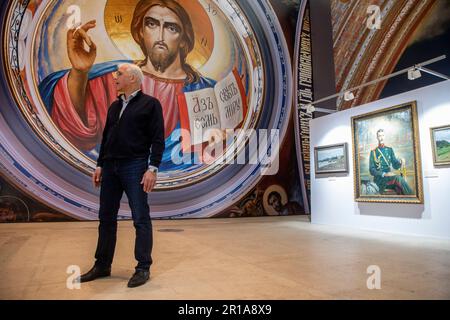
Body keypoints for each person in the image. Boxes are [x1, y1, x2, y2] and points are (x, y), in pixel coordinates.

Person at [39, 0, 216, 171]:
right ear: (140, 32)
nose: (160, 36)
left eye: (171, 28)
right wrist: (79, 73)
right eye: (151, 24)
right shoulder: (113, 78)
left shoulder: (205, 91)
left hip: (177, 178)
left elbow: (216, 146)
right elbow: (77, 129)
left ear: (184, 40)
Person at [78, 63, 165, 288]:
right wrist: (99, 165)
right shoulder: (114, 106)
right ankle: (102, 264)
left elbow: (158, 139)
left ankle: (143, 267)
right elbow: (106, 138)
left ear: (133, 79)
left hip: (135, 166)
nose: (115, 77)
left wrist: (152, 168)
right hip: (110, 167)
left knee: (140, 218)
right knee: (106, 218)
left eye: (120, 74)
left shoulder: (150, 104)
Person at [369, 129, 413, 195]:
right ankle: (411, 197)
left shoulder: (390, 149)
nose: (381, 138)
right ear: (377, 137)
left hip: (390, 178)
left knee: (399, 185)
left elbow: (395, 165)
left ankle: (408, 199)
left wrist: (400, 161)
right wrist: (384, 174)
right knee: (398, 178)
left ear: (385, 136)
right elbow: (372, 170)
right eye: (379, 136)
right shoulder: (374, 152)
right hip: (380, 180)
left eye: (383, 135)